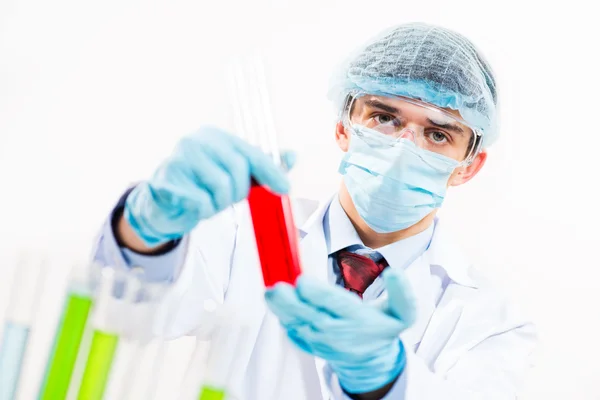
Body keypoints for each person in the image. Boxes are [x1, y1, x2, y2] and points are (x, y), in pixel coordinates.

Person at [93, 22, 536, 399]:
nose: (404, 148)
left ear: (468, 166)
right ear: (344, 126)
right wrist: (145, 229)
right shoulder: (243, 232)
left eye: (438, 135)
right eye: (384, 117)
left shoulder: (491, 322)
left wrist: (385, 378)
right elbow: (133, 315)